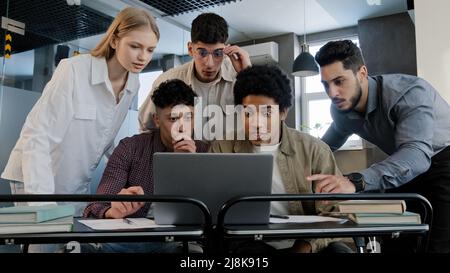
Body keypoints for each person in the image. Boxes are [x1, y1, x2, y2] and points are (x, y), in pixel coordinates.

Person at [1, 7, 160, 216]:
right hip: (36, 176)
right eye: (135, 46)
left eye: (150, 50)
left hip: (77, 180)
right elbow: (37, 136)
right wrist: (41, 203)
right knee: (44, 246)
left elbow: (104, 137)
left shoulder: (133, 83)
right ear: (114, 41)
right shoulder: (74, 70)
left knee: (71, 247)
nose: (143, 57)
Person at [310, 39, 450, 253]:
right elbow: (325, 147)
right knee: (397, 241)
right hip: (406, 167)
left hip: (442, 161)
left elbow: (417, 155)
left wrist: (355, 181)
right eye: (325, 84)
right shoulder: (341, 110)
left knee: (437, 245)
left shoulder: (409, 92)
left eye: (339, 81)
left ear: (362, 73)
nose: (332, 93)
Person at [209, 65, 353, 253]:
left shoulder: (314, 150)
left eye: (267, 113)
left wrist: (307, 245)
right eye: (248, 113)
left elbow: (336, 211)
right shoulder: (222, 149)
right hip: (250, 242)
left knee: (340, 252)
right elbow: (212, 211)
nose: (256, 123)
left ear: (283, 112)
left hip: (305, 241)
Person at [83, 79, 208, 253]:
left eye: (189, 117)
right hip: (130, 239)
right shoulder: (131, 147)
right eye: (173, 119)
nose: (182, 127)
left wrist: (191, 166)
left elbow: (210, 212)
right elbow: (95, 206)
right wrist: (112, 211)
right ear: (157, 120)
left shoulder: (205, 152)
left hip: (180, 239)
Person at [138, 12, 251, 140]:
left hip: (233, 159)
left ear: (226, 51)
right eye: (202, 52)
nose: (210, 63)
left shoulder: (241, 76)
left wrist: (248, 75)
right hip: (185, 158)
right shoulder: (168, 80)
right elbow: (147, 128)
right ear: (191, 49)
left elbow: (266, 122)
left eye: (217, 53)